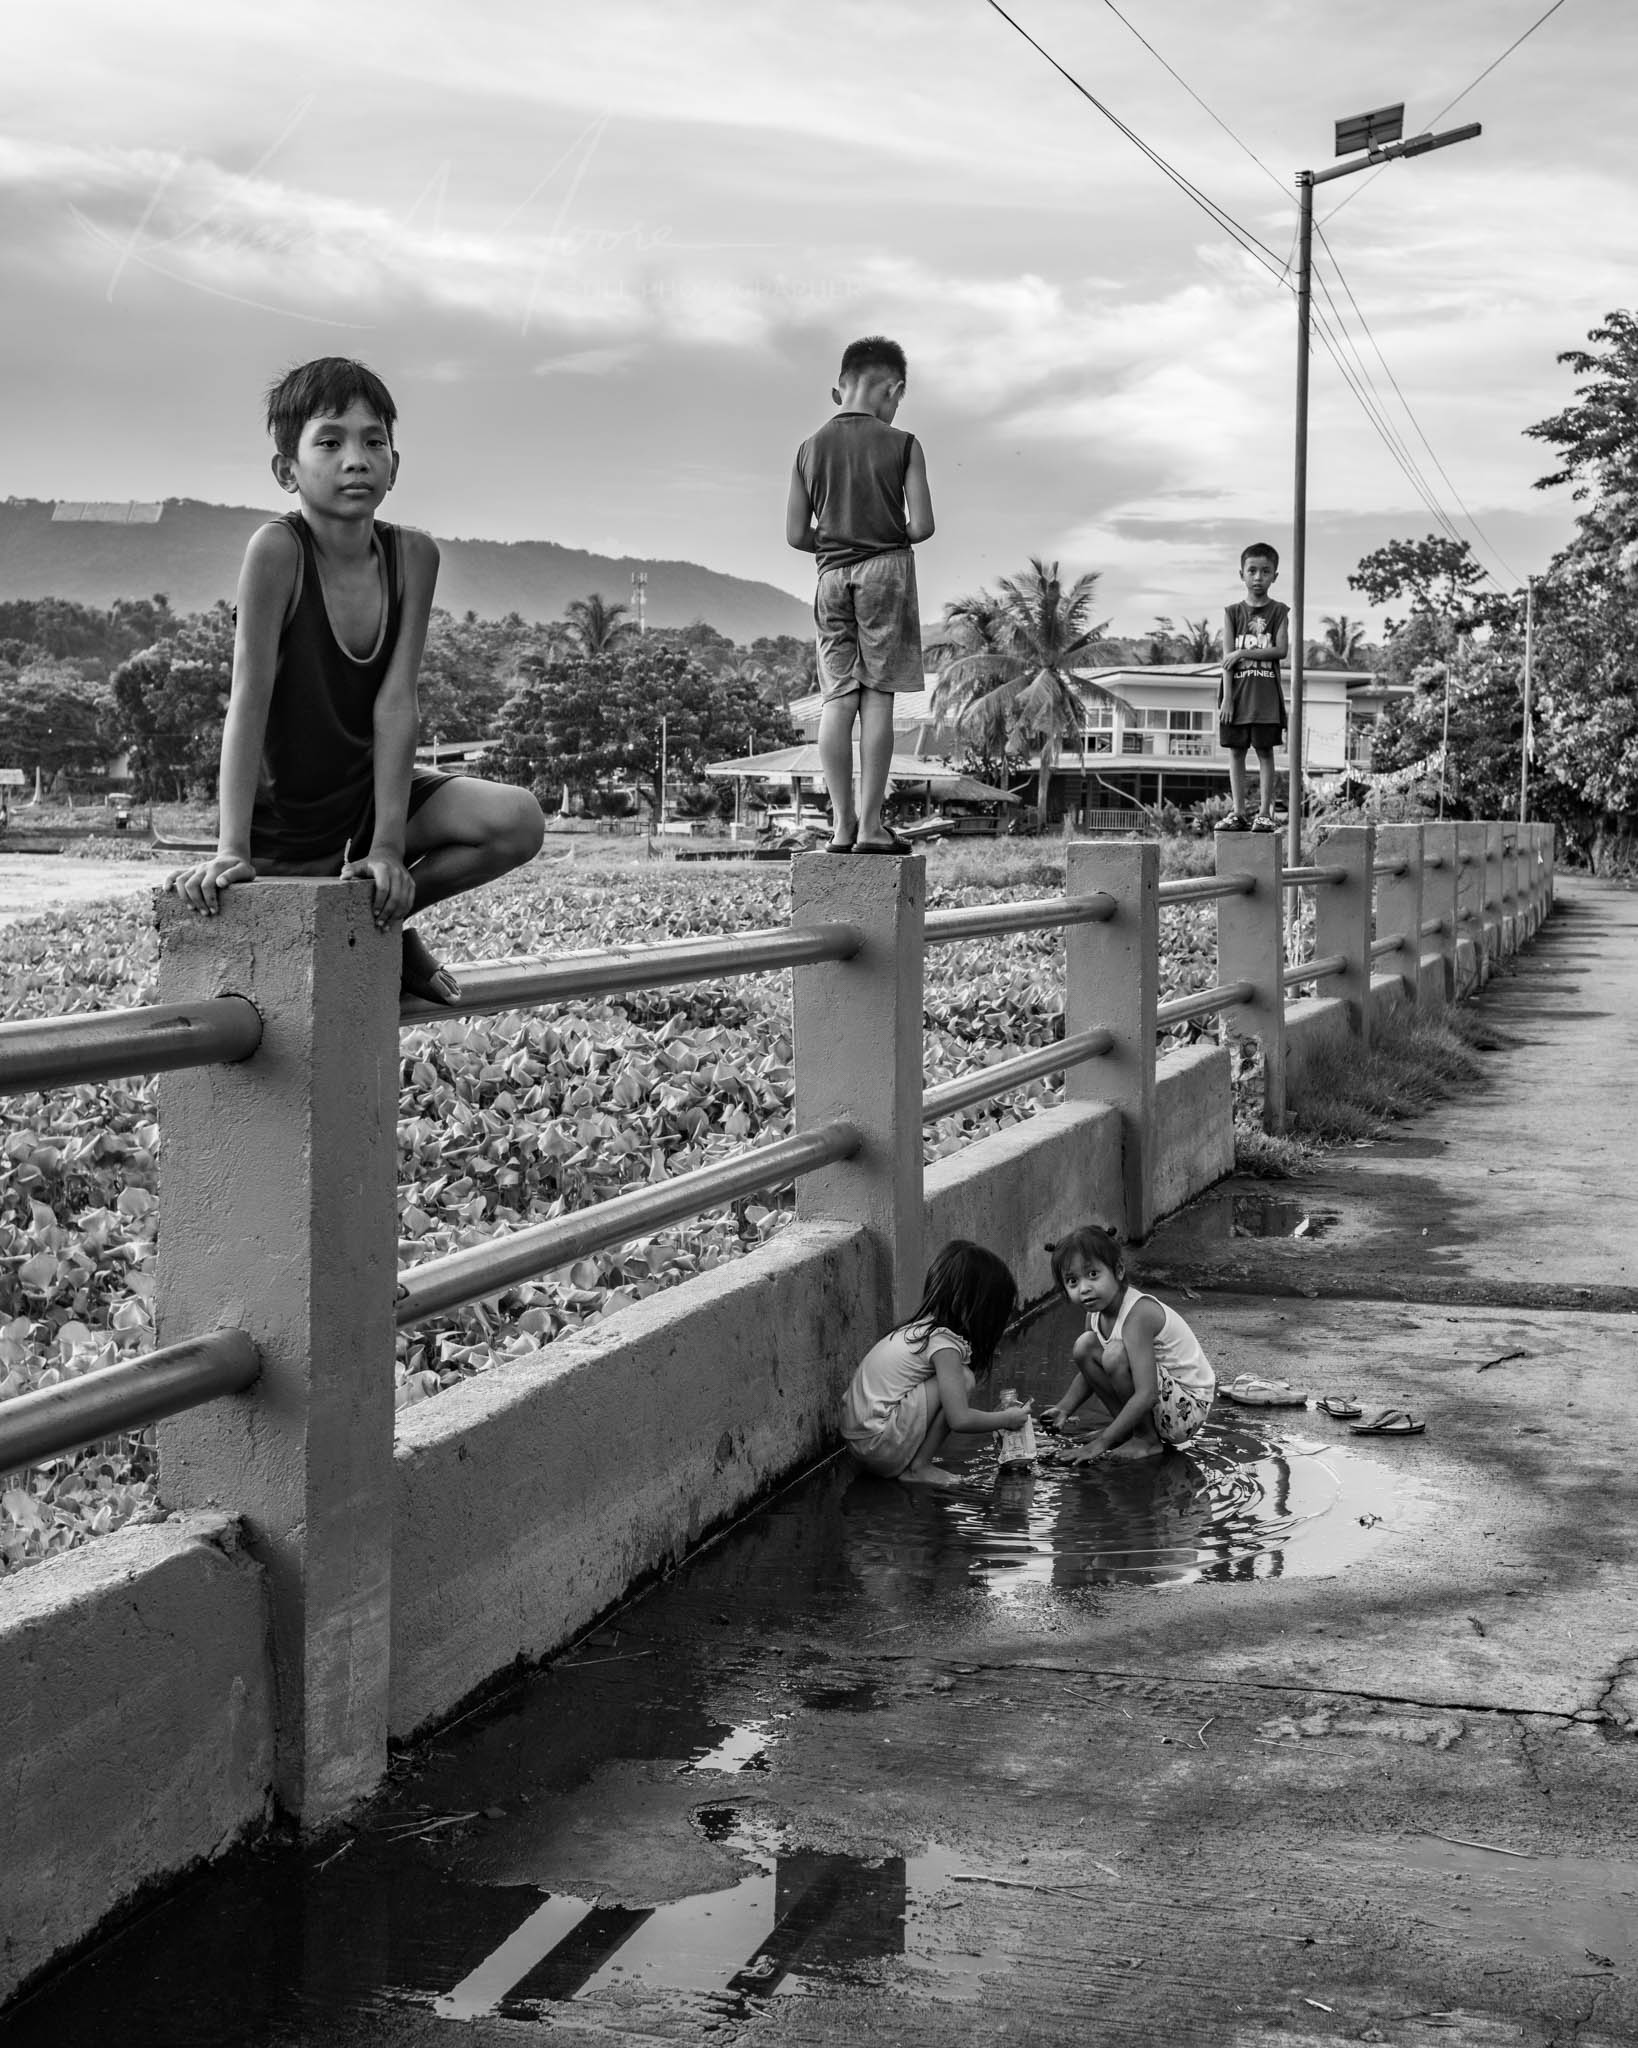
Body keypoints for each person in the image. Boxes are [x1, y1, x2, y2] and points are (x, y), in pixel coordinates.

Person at [169, 357, 544, 1002]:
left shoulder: (413, 556)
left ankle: (384, 915)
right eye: (330, 441)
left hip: (367, 797)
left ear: (395, 465)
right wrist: (231, 846)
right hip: (286, 813)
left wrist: (390, 847)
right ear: (288, 470)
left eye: (374, 441)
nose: (356, 458)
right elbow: (248, 701)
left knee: (517, 820)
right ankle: (388, 936)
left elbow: (397, 703)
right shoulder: (277, 551)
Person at [786, 335, 934, 855]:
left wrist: (837, 537)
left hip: (830, 578)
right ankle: (872, 828)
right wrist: (886, 530)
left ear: (838, 391)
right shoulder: (904, 444)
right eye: (898, 400)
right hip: (885, 572)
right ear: (893, 390)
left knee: (837, 699)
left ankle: (840, 828)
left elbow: (796, 536)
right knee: (878, 700)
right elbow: (923, 527)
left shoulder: (809, 448)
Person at [841, 1240, 1026, 1488]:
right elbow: (959, 1419)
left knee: (960, 1378)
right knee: (964, 1379)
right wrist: (1007, 1418)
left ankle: (913, 1463)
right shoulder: (944, 1345)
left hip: (860, 1444)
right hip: (878, 1446)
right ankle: (919, 1468)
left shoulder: (920, 1330)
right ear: (976, 1306)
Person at [1040, 1227, 1215, 1460]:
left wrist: (1099, 1445)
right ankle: (1129, 1433)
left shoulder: (1138, 1314)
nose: (1084, 1288)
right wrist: (1063, 1409)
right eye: (1072, 1281)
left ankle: (1146, 1439)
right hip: (1165, 1403)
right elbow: (1089, 1372)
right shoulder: (1095, 1314)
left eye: (1093, 1274)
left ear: (1119, 1271)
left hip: (1188, 1410)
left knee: (1114, 1355)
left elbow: (1147, 1394)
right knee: (1085, 1346)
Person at [1216, 541, 1289, 836]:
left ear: (1275, 576)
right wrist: (1227, 699)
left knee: (1264, 752)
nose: (1258, 577)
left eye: (1265, 571)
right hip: (1236, 698)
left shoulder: (1280, 611)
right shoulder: (1232, 612)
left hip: (1266, 699)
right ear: (1241, 574)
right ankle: (1238, 812)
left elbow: (1280, 650)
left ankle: (1264, 814)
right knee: (1236, 752)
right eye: (1252, 571)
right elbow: (1226, 660)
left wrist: (1244, 653)